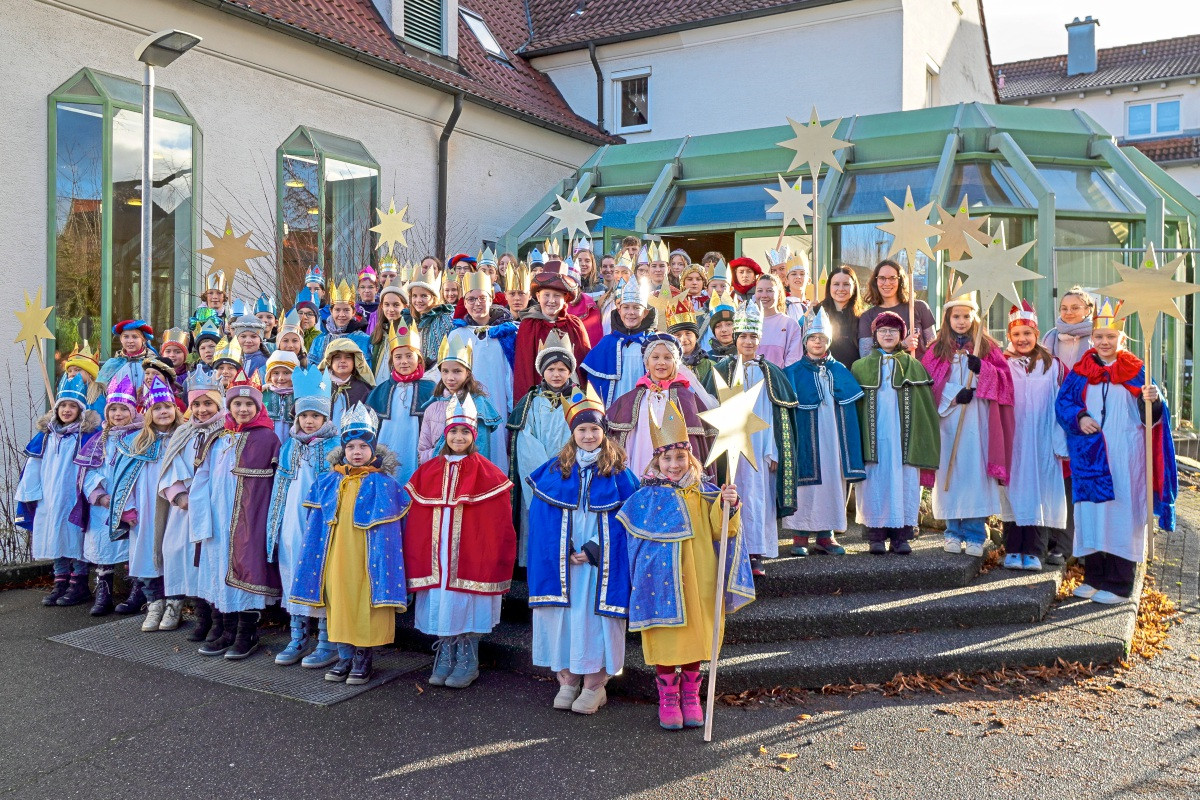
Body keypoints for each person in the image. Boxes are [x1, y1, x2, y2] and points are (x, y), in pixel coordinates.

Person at [616, 399, 752, 731]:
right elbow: (628, 539)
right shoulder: (644, 497)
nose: (674, 464)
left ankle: (691, 696)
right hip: (658, 582)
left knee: (695, 637)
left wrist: (728, 505)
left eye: (680, 457)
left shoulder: (706, 493)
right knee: (667, 639)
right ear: (657, 460)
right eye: (667, 458)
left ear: (690, 457)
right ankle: (667, 698)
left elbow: (723, 530)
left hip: (700, 578)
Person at [1056, 300, 1177, 604]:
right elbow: (1064, 403)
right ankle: (1095, 578)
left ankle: (1121, 584)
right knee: (1094, 515)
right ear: (1092, 338)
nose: (1105, 343)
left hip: (1126, 456)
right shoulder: (1082, 370)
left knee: (1122, 513)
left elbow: (1154, 420)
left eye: (1111, 337)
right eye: (1099, 337)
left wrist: (1152, 400)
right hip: (1091, 457)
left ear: (1122, 339)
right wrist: (1080, 418)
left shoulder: (1137, 370)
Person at [526, 385, 638, 714]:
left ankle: (594, 685)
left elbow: (626, 522)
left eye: (594, 429)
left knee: (593, 621)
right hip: (563, 563)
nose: (588, 435)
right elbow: (541, 519)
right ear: (572, 432)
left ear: (604, 432)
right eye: (582, 429)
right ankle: (567, 680)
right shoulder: (553, 470)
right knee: (563, 620)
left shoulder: (620, 474)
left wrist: (592, 550)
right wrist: (563, 549)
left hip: (598, 565)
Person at [405, 395, 517, 689]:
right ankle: (445, 651)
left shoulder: (489, 473)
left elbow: (498, 522)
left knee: (465, 602)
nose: (458, 436)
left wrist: (490, 554)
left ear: (473, 435)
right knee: (443, 601)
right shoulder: (427, 471)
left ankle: (468, 656)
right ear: (445, 435)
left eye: (464, 431)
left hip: (469, 553)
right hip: (437, 554)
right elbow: (417, 518)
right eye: (453, 431)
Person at [292, 403, 408, 685]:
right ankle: (344, 655)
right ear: (343, 449)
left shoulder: (385, 483)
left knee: (364, 602)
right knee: (339, 600)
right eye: (351, 447)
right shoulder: (329, 480)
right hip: (336, 553)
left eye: (363, 447)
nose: (357, 452)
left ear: (373, 449)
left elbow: (395, 528)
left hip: (368, 556)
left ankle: (362, 656)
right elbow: (315, 523)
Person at [191, 370, 282, 660]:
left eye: (249, 405)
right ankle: (225, 629)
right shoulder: (218, 438)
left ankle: (247, 632)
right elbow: (201, 478)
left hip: (249, 518)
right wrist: (202, 517)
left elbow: (275, 484)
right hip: (217, 516)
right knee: (218, 568)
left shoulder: (268, 439)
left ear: (258, 408)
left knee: (247, 568)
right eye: (236, 404)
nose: (242, 409)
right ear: (228, 407)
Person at [707, 300, 799, 575]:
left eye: (753, 337)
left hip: (760, 446)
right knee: (729, 492)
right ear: (735, 338)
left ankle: (756, 551)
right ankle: (730, 549)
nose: (748, 342)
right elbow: (709, 406)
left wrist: (773, 451)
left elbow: (776, 415)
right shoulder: (721, 369)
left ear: (760, 339)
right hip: (726, 445)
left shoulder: (770, 372)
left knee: (758, 497)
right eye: (743, 336)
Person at [922, 294, 1015, 558]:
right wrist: (952, 395)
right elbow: (927, 386)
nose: (961, 322)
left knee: (975, 473)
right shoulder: (936, 350)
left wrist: (983, 369)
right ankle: (952, 531)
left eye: (966, 316)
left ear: (975, 318)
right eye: (956, 316)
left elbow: (1006, 385)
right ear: (947, 319)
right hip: (947, 421)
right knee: (950, 473)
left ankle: (975, 532)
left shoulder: (987, 347)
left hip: (978, 421)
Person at [267, 365, 341, 668]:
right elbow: (279, 489)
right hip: (290, 524)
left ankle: (327, 641)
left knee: (321, 578)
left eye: (316, 416)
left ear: (325, 419)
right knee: (292, 576)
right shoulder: (288, 447)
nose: (309, 421)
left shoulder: (336, 448)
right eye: (304, 416)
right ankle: (298, 637)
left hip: (320, 526)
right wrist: (275, 525)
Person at [850, 312, 940, 554]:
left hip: (904, 438)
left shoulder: (914, 366)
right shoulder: (860, 367)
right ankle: (876, 536)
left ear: (901, 335)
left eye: (893, 330)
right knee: (874, 482)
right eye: (882, 330)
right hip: (874, 438)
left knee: (904, 482)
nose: (887, 334)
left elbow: (924, 408)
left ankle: (901, 537)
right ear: (874, 336)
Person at [782, 308, 865, 557]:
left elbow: (850, 407)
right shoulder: (793, 372)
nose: (817, 342)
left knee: (831, 482)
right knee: (805, 486)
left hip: (833, 438)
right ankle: (800, 536)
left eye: (822, 338)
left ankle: (825, 536)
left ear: (828, 342)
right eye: (813, 338)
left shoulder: (839, 369)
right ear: (806, 341)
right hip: (806, 437)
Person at [16, 373, 101, 608]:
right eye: (62, 405)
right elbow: (34, 466)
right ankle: (60, 581)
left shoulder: (87, 436)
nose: (66, 410)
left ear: (80, 410)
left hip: (74, 497)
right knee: (55, 538)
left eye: (72, 406)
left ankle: (79, 584)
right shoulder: (45, 437)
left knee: (76, 537)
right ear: (56, 409)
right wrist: (29, 494)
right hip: (50, 498)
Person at [157, 369, 225, 643]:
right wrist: (178, 495)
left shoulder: (227, 431)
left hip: (214, 508)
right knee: (186, 558)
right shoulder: (184, 432)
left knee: (211, 560)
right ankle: (201, 616)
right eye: (196, 404)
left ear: (218, 404)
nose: (202, 409)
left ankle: (218, 617)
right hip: (184, 510)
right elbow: (170, 466)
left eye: (208, 403)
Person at [112, 376, 183, 632]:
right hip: (145, 508)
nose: (163, 412)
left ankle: (175, 604)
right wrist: (128, 507)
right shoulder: (138, 441)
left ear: (175, 409)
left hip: (177, 509)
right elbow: (124, 478)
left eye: (167, 407)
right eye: (157, 408)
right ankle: (154, 603)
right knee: (146, 553)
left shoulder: (184, 437)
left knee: (174, 552)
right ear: (148, 413)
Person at [1001, 301, 1068, 572]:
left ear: (1036, 334)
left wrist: (1060, 439)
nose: (1022, 339)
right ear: (1010, 337)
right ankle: (1013, 548)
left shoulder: (1053, 365)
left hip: (1042, 438)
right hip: (1014, 439)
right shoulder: (1003, 365)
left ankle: (1035, 551)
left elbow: (1066, 402)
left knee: (1039, 492)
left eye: (1027, 334)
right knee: (1013, 492)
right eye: (1016, 335)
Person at [75, 370, 143, 617]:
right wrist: (99, 495)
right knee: (104, 544)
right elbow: (87, 471)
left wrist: (129, 501)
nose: (118, 414)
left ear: (133, 411)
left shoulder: (141, 437)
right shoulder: (98, 440)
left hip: (133, 501)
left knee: (133, 545)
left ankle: (138, 591)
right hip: (103, 503)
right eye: (113, 409)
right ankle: (103, 592)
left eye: (124, 410)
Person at [508, 331, 577, 566]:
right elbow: (526, 440)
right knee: (538, 521)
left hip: (569, 471)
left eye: (561, 369)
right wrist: (545, 473)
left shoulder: (580, 400)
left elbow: (584, 435)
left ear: (570, 371)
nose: (556, 374)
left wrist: (565, 465)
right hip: (538, 475)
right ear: (542, 371)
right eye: (551, 369)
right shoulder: (531, 401)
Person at [1040, 285, 1096, 565]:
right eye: (1064, 308)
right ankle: (1054, 539)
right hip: (1051, 415)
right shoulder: (1050, 337)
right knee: (1056, 478)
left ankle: (1072, 543)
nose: (1069, 312)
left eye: (1075, 308)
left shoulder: (1096, 340)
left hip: (1085, 418)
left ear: (1088, 311)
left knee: (1077, 478)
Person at [608, 332, 713, 478]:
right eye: (655, 357)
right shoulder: (631, 399)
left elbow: (698, 445)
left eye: (668, 358)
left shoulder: (687, 399)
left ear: (676, 363)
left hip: (676, 468)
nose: (661, 362)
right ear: (646, 363)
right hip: (639, 460)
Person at [417, 336, 505, 470]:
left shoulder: (479, 406)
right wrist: (440, 457)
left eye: (457, 371)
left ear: (468, 373)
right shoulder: (432, 407)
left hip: (468, 473)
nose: (450, 377)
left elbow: (481, 449)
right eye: (445, 371)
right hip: (437, 471)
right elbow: (423, 450)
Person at [512, 255, 591, 403]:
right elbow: (524, 369)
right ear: (537, 296)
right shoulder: (529, 325)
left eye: (557, 295)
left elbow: (583, 364)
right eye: (546, 295)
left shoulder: (574, 325)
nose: (551, 301)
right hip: (539, 400)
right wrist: (527, 402)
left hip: (572, 398)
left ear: (565, 298)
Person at [365, 324, 434, 492]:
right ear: (392, 360)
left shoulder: (431, 389)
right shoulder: (380, 391)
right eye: (398, 357)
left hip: (416, 450)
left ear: (419, 358)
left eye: (409, 356)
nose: (404, 361)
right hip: (387, 447)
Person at [449, 270, 517, 421]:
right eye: (471, 299)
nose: (477, 303)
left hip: (498, 400)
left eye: (482, 298)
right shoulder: (457, 335)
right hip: (465, 402)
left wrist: (513, 405)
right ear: (464, 302)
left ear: (491, 298)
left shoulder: (505, 333)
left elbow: (511, 375)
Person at [581, 278, 654, 406]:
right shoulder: (607, 343)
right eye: (626, 307)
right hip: (614, 408)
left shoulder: (653, 343)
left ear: (645, 313)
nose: (631, 312)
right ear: (619, 311)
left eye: (636, 308)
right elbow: (594, 383)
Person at [857, 260, 936, 358]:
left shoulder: (919, 307)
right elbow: (866, 357)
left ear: (900, 280)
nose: (887, 283)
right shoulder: (868, 317)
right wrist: (902, 346)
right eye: (882, 278)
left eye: (892, 278)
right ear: (875, 281)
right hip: (886, 372)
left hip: (918, 371)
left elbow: (934, 349)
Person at [310, 281, 373, 366]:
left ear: (353, 312)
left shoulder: (364, 340)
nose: (342, 315)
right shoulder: (319, 340)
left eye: (346, 310)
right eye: (337, 310)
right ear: (331, 311)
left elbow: (367, 371)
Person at [404, 265, 455, 367]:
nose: (418, 300)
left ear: (433, 297)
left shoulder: (443, 319)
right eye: (415, 296)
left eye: (424, 296)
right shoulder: (412, 320)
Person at [816, 265, 866, 368]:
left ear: (854, 287)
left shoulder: (863, 317)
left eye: (846, 284)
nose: (841, 289)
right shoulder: (817, 312)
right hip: (822, 374)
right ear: (829, 286)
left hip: (852, 377)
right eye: (836, 284)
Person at [319, 338, 375, 430]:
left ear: (355, 362)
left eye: (348, 357)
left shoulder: (364, 389)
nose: (343, 361)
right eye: (337, 357)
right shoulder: (320, 386)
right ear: (330, 361)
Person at [755, 274, 803, 368]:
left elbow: (793, 362)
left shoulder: (790, 325)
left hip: (779, 380)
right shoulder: (748, 323)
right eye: (760, 291)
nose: (764, 295)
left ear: (779, 293)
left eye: (769, 291)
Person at [98, 320, 154, 387]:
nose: (130, 341)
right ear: (121, 339)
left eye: (135, 337)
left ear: (143, 339)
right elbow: (100, 389)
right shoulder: (112, 364)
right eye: (126, 337)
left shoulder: (153, 363)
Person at [368, 285, 408, 380]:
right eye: (387, 304)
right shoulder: (377, 333)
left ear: (405, 306)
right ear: (381, 306)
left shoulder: (408, 333)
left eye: (396, 305)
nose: (391, 309)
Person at [262, 350, 300, 443]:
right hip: (268, 441)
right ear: (269, 375)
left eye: (286, 373)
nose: (281, 378)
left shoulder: (300, 395)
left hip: (293, 441)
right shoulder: (263, 394)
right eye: (276, 373)